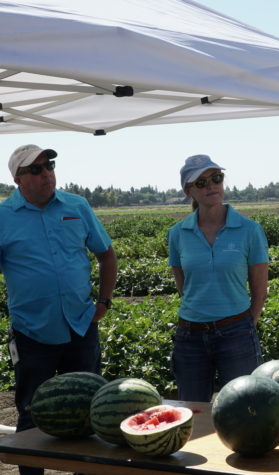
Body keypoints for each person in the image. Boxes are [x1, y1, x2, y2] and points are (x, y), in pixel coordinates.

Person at [0, 144, 117, 475]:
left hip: (80, 327)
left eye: (49, 165)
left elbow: (106, 255)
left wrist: (103, 302)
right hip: (32, 332)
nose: (46, 173)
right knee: (31, 413)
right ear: (18, 179)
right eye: (35, 169)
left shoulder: (76, 206)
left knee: (90, 409)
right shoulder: (3, 217)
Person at [168, 154, 269, 402]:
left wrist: (247, 324)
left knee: (243, 406)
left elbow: (260, 289)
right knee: (193, 409)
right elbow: (183, 287)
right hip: (189, 336)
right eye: (201, 182)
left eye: (216, 178)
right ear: (189, 191)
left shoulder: (249, 230)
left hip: (236, 333)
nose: (211, 186)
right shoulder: (177, 234)